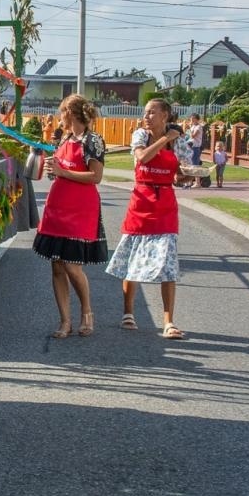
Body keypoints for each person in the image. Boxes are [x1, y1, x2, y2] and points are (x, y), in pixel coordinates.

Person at [107, 97, 189, 339]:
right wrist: (165, 139)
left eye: (152, 112)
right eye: (146, 112)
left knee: (169, 265)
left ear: (165, 115)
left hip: (165, 206)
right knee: (132, 261)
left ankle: (168, 322)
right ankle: (128, 312)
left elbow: (177, 174)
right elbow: (142, 158)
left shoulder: (177, 142)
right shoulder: (140, 136)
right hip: (141, 203)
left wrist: (185, 178)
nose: (147, 116)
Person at [32, 94, 108, 339]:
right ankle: (65, 321)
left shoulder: (92, 140)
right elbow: (63, 171)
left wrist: (64, 172)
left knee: (72, 266)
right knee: (56, 265)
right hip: (58, 205)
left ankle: (87, 313)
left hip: (80, 207)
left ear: (72, 113)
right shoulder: (64, 138)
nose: (59, 116)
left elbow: (95, 177)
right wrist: (53, 171)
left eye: (61, 111)